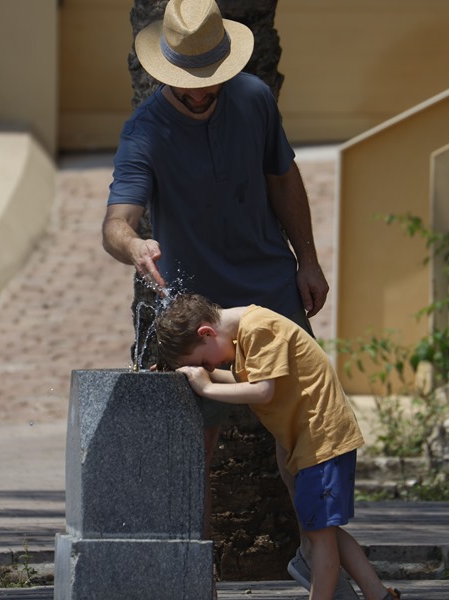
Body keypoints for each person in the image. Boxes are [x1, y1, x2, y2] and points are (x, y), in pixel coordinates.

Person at [101, 0, 331, 590]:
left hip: (274, 291)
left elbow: (283, 178)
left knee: (302, 439)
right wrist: (135, 247)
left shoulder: (254, 98)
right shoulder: (144, 131)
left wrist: (307, 258)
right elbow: (117, 222)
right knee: (193, 453)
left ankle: (316, 552)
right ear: (164, 74)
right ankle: (194, 573)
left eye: (211, 82)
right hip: (198, 313)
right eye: (189, 87)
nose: (202, 95)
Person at [154, 293, 402, 600]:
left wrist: (206, 386)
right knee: (323, 529)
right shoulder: (245, 334)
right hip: (309, 443)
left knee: (320, 540)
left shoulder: (259, 329)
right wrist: (194, 375)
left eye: (205, 361)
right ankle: (378, 594)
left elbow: (262, 391)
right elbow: (242, 379)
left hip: (322, 441)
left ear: (206, 332)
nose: (211, 365)